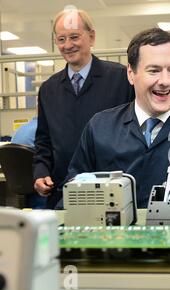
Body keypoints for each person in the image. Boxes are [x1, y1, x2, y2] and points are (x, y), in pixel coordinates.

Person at [65, 28, 170, 209]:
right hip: (114, 237)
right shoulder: (99, 129)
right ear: (131, 74)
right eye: (154, 71)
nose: (166, 81)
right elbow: (73, 200)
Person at [33, 8, 134, 208]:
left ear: (91, 37)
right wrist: (41, 172)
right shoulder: (48, 89)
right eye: (61, 39)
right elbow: (43, 141)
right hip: (64, 193)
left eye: (74, 37)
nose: (68, 45)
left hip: (112, 192)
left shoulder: (121, 79)